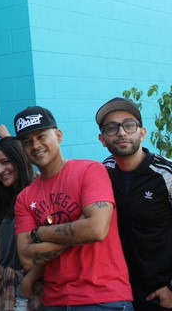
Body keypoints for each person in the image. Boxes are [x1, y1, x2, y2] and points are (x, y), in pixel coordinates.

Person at [13, 105, 133, 310]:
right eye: (27, 141)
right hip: (54, 301)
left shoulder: (90, 170)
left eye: (41, 136)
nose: (35, 145)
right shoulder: (25, 197)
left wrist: (41, 233)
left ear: (58, 135)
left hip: (103, 298)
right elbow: (27, 258)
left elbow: (96, 229)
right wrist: (79, 229)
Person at [96, 97, 172, 311]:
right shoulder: (105, 171)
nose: (121, 132)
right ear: (102, 139)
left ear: (142, 133)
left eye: (129, 125)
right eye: (111, 128)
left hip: (165, 296)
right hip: (124, 294)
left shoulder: (170, 174)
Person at [0, 138, 42, 311]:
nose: (0, 171)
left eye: (5, 162)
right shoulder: (7, 201)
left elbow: (53, 249)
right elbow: (1, 251)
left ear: (19, 159)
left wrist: (29, 280)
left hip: (35, 287)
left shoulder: (38, 193)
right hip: (8, 287)